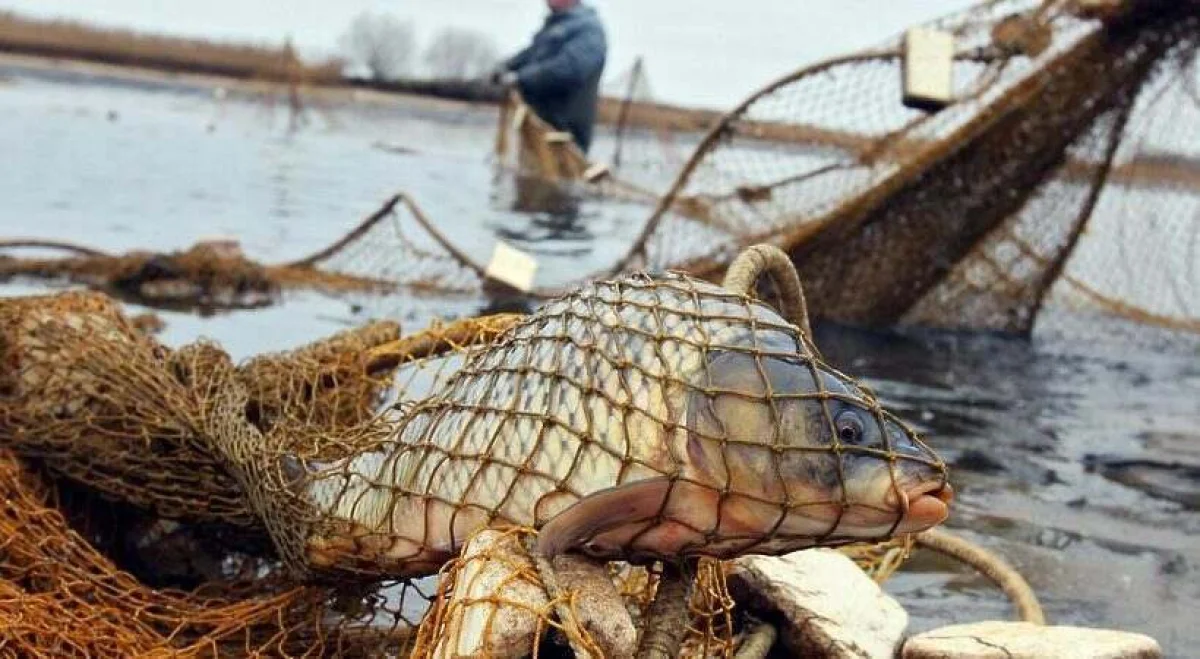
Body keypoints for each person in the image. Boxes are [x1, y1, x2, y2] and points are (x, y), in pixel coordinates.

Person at [493, 0, 607, 153]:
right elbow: (530, 55)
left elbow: (569, 68)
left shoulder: (588, 29)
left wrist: (520, 78)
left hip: (564, 132)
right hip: (538, 126)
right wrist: (505, 67)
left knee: (560, 175)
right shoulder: (552, 27)